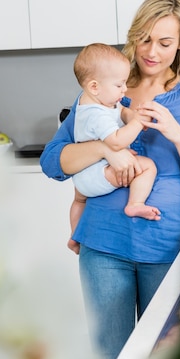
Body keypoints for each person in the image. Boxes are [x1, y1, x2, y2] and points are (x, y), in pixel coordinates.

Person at [40, 0, 180, 359]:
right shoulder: (106, 88)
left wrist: (177, 133)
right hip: (104, 247)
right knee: (112, 357)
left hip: (168, 247)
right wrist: (105, 149)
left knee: (168, 357)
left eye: (164, 42)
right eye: (144, 39)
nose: (152, 51)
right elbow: (52, 161)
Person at [68, 43, 161, 254]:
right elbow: (117, 141)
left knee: (78, 201)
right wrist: (138, 124)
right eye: (119, 85)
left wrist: (133, 116)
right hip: (97, 172)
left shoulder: (98, 102)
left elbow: (121, 112)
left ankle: (75, 236)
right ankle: (135, 203)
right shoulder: (96, 115)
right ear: (94, 86)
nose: (124, 90)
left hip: (83, 174)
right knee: (147, 166)